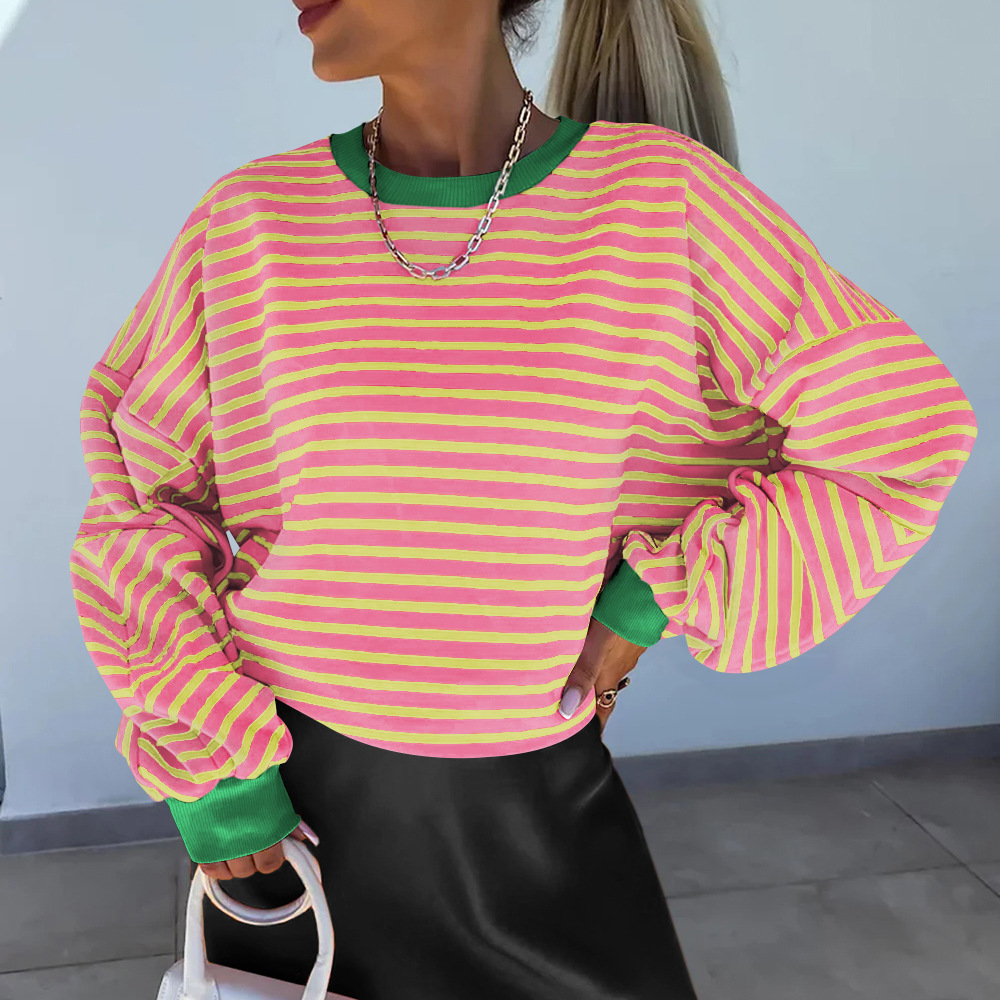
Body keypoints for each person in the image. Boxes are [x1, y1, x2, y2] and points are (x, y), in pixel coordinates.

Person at [67, 1, 978, 998]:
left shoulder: (662, 204)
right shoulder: (250, 221)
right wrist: (211, 763)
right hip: (286, 822)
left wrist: (651, 598)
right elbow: (144, 509)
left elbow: (900, 434)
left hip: (532, 819)